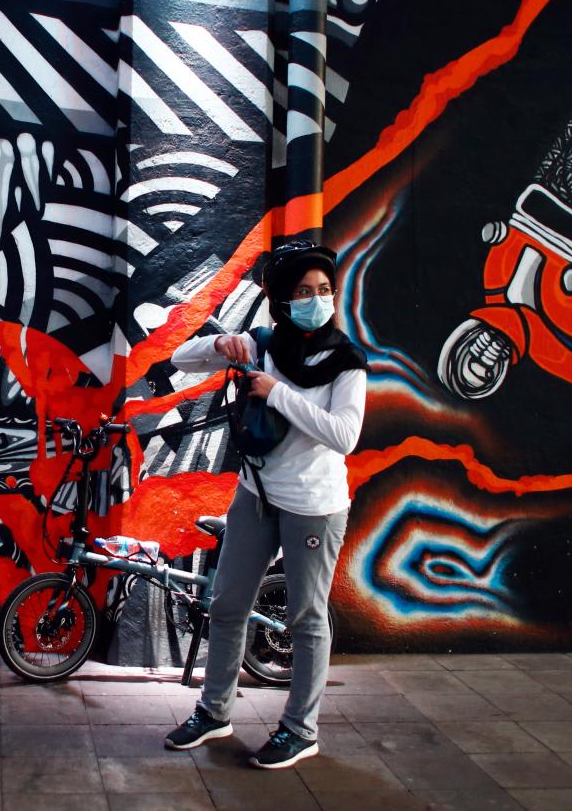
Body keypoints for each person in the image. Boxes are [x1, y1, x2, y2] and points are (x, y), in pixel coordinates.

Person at [163, 241, 368, 769]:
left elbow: (344, 435)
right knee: (227, 605)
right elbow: (181, 359)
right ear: (280, 300)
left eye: (323, 291)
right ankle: (215, 712)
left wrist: (275, 392)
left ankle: (301, 729)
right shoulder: (262, 345)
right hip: (255, 497)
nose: (315, 300)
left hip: (314, 506)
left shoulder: (346, 360)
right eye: (303, 292)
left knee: (305, 618)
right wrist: (224, 343)